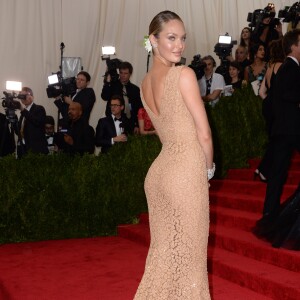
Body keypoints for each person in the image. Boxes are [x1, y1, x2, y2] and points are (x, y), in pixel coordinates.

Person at [134, 10, 214, 299]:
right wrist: (208, 170)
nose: (179, 45)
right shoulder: (184, 74)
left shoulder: (143, 84)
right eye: (171, 37)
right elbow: (203, 134)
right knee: (190, 260)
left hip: (159, 172)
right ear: (153, 40)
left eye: (182, 38)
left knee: (162, 256)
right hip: (184, 171)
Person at [254, 29, 300, 237]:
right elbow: (288, 95)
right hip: (291, 129)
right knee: (277, 175)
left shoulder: (284, 68)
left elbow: (272, 99)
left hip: (282, 129)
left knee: (277, 176)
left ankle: (269, 214)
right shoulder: (291, 67)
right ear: (294, 46)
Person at [255, 39, 285, 182]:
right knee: (278, 139)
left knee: (275, 138)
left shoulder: (269, 67)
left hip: (268, 105)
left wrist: (269, 101)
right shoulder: (281, 66)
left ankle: (263, 169)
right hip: (277, 107)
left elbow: (261, 92)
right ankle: (264, 169)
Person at [101, 61, 143, 133]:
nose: (123, 75)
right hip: (113, 121)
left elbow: (138, 108)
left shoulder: (135, 89)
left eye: (125, 73)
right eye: (121, 73)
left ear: (130, 74)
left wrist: (137, 124)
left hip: (131, 122)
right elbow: (104, 97)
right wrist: (107, 82)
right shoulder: (112, 85)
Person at [17, 87, 48, 155]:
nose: (22, 98)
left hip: (36, 148)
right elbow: (19, 131)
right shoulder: (23, 113)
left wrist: (22, 110)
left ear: (31, 96)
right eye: (21, 96)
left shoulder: (39, 109)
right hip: (23, 147)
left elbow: (37, 122)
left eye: (24, 96)